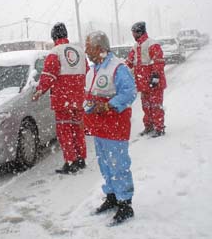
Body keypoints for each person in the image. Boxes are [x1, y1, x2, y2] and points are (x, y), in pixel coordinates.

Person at [83, 30, 137, 225]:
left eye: (88, 47)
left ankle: (125, 204)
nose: (86, 51)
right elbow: (90, 95)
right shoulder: (94, 69)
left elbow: (129, 93)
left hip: (115, 126)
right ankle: (112, 195)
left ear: (100, 48)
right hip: (99, 128)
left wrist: (107, 105)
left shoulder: (118, 67)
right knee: (105, 163)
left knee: (118, 164)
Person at [32, 22, 88, 174]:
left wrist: (39, 91)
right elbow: (87, 70)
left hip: (62, 100)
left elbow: (48, 75)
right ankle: (81, 159)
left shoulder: (55, 52)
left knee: (65, 132)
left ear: (53, 36)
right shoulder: (79, 51)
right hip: (78, 98)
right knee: (77, 129)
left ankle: (71, 162)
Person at [126, 21, 167, 137]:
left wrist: (155, 77)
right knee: (146, 106)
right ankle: (148, 126)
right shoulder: (135, 47)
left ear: (139, 32)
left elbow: (158, 61)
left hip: (154, 83)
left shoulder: (152, 44)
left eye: (134, 32)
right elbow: (129, 62)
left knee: (156, 106)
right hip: (143, 84)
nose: (133, 35)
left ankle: (159, 128)